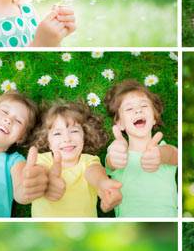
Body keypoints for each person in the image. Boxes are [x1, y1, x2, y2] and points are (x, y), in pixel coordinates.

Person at [30, 100, 122, 218]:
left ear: (85, 135)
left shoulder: (89, 161)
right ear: (47, 141)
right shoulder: (42, 160)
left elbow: (95, 173)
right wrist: (45, 181)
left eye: (74, 131)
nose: (67, 139)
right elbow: (38, 172)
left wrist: (103, 183)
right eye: (57, 134)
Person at [105, 79, 178, 218]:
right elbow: (111, 161)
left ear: (155, 117)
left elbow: (174, 154)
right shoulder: (118, 151)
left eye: (144, 106)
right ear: (120, 123)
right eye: (129, 109)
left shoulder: (163, 149)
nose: (138, 110)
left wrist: (160, 155)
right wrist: (115, 155)